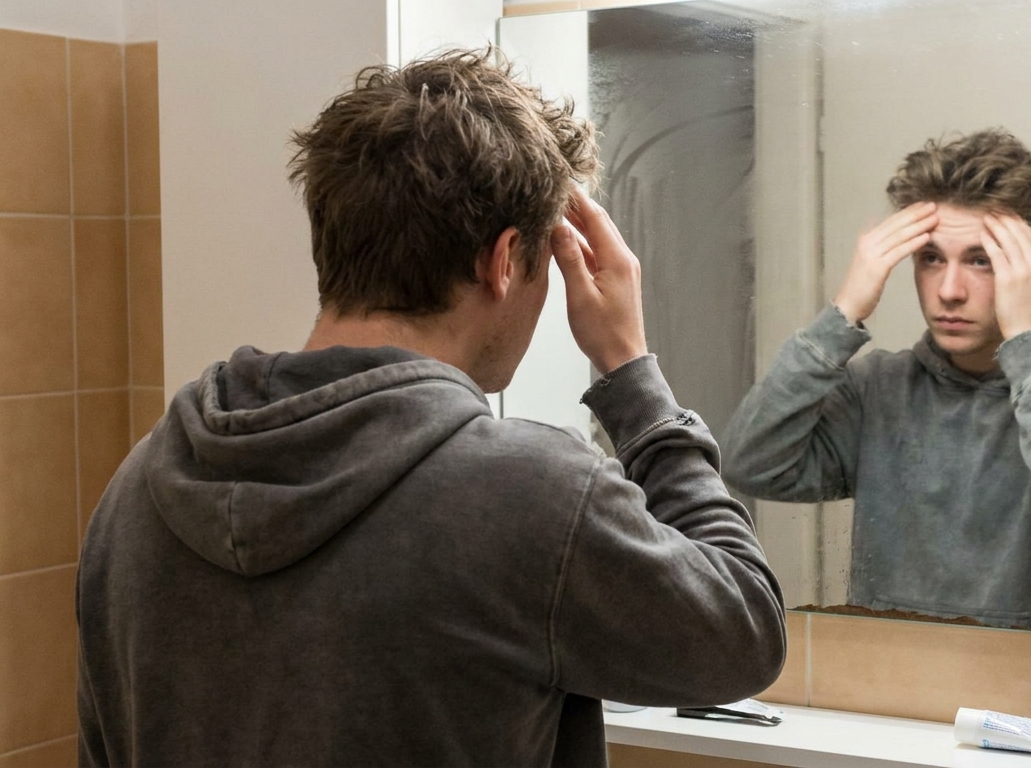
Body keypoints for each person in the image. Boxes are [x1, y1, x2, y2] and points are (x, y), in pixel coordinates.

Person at [76, 48, 786, 767]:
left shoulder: (137, 490)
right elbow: (745, 631)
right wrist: (631, 373)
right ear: (502, 261)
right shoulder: (533, 496)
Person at [721, 129, 1031, 635]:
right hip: (892, 674)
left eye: (981, 260)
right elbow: (749, 463)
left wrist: (1029, 342)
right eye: (931, 258)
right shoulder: (879, 388)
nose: (949, 291)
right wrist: (843, 313)